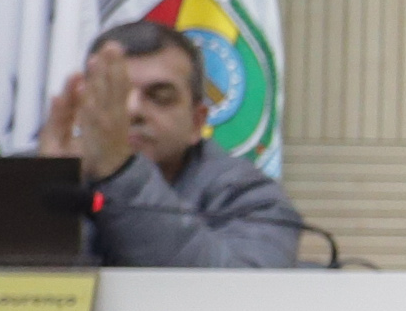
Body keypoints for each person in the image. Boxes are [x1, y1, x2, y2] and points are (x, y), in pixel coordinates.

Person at [35, 20, 303, 267]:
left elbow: (238, 296)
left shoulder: (253, 199)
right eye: (116, 95)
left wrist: (121, 172)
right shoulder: (39, 168)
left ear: (197, 122)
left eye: (159, 96)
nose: (132, 110)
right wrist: (40, 190)